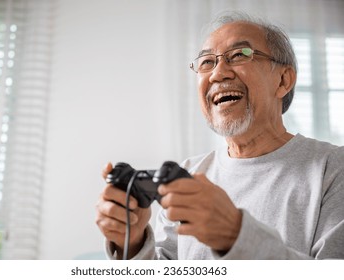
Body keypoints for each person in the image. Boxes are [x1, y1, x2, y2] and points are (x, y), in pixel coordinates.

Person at [95, 11, 344, 259]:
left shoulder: (333, 169)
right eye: (206, 62)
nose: (218, 73)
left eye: (239, 55)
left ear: (283, 80)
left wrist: (236, 236)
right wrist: (133, 242)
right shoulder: (190, 172)